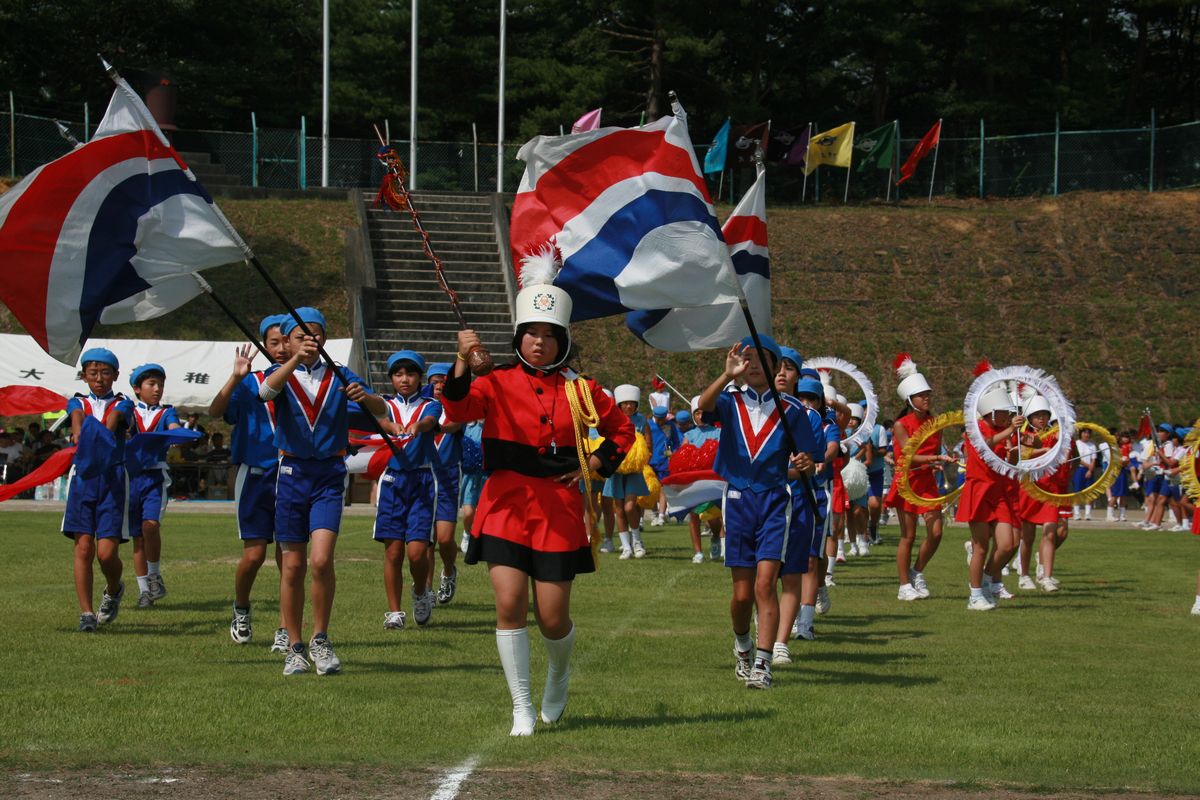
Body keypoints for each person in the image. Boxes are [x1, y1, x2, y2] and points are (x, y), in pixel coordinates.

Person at [441, 254, 633, 735]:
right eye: (532, 332)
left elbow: (622, 431)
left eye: (549, 334)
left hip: (559, 509)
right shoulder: (494, 380)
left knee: (552, 618)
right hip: (505, 504)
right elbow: (458, 407)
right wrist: (463, 358)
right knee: (508, 605)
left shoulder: (583, 389)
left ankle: (559, 674)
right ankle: (520, 707)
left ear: (562, 340)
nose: (540, 342)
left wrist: (594, 463)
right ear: (519, 337)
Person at [258, 306, 386, 676]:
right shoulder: (279, 373)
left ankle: (321, 639)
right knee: (293, 564)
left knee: (320, 560)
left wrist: (366, 397)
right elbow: (266, 392)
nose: (309, 342)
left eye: (314, 335)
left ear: (325, 338)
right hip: (292, 471)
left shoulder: (340, 375)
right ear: (287, 341)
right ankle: (294, 645)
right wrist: (294, 358)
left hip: (329, 473)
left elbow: (378, 408)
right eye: (300, 336)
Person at [698, 335, 816, 690]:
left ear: (776, 366)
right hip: (736, 500)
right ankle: (743, 644)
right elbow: (702, 409)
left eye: (760, 359)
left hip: (775, 502)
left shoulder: (792, 410)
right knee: (742, 595)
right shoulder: (730, 401)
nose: (751, 365)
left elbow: (807, 462)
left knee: (766, 584)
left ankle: (763, 664)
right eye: (746, 359)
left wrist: (805, 462)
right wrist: (725, 375)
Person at [208, 316, 289, 648]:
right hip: (256, 476)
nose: (282, 347)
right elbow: (215, 411)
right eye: (274, 342)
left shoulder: (305, 380)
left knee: (291, 556)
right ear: (263, 347)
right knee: (254, 556)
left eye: (288, 340)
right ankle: (241, 607)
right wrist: (235, 376)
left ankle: (286, 628)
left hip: (292, 474)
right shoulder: (248, 382)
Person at [61, 348, 134, 631]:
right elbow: (76, 415)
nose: (99, 379)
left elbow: (114, 420)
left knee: (106, 553)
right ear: (84, 376)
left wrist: (97, 434)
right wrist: (79, 430)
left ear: (116, 376)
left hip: (113, 479)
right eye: (93, 373)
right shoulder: (76, 402)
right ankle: (86, 613)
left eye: (105, 373)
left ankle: (114, 588)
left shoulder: (122, 402)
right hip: (84, 479)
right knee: (83, 547)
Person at [373, 350, 441, 631]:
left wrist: (417, 426)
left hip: (423, 480)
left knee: (417, 552)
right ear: (391, 378)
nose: (405, 379)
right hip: (392, 481)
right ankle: (394, 611)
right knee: (393, 552)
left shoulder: (430, 405)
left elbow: (429, 423)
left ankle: (421, 593)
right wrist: (390, 425)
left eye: (410, 374)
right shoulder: (385, 404)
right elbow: (380, 420)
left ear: (419, 378)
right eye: (398, 374)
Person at [883, 354, 951, 602]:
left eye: (928, 395)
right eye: (922, 396)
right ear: (911, 400)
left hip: (927, 483)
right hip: (907, 482)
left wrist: (939, 462)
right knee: (908, 536)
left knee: (936, 532)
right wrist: (936, 460)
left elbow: (935, 451)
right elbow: (909, 456)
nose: (927, 399)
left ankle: (917, 571)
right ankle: (904, 586)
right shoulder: (901, 424)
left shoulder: (936, 422)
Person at [771, 346, 823, 664]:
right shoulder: (754, 410)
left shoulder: (808, 417)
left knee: (791, 572)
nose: (780, 373)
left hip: (798, 499)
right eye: (775, 366)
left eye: (788, 368)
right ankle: (763, 629)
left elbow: (807, 462)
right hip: (764, 499)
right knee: (761, 574)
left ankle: (780, 644)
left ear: (797, 376)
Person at [957, 380, 1023, 610]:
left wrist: (1015, 453)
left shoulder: (1005, 433)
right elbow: (983, 446)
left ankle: (985, 580)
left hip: (999, 490)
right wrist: (1010, 431)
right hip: (979, 490)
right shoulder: (976, 428)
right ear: (991, 413)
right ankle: (975, 595)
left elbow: (1009, 463)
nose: (1007, 415)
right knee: (981, 546)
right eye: (1003, 412)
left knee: (1008, 544)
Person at [126, 363, 183, 608]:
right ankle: (145, 592)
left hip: (154, 478)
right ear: (137, 389)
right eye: (151, 384)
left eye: (160, 384)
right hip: (130, 478)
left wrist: (176, 436)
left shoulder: (166, 412)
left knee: (150, 526)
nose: (157, 389)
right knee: (137, 536)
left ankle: (154, 574)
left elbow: (174, 429)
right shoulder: (128, 411)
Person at [425, 362, 465, 604]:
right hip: (425, 477)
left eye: (444, 381)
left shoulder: (457, 407)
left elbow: (455, 424)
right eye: (435, 381)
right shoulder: (422, 408)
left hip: (449, 477)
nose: (439, 385)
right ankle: (426, 589)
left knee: (445, 538)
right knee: (426, 539)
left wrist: (434, 426)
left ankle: (449, 570)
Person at [605, 384, 652, 559]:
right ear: (619, 405)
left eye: (632, 403)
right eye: (625, 403)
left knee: (630, 507)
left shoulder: (641, 421)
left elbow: (648, 445)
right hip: (616, 471)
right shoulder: (612, 421)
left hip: (634, 471)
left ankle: (637, 541)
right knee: (619, 510)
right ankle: (626, 547)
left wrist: (641, 457)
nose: (629, 406)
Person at [647, 405, 681, 529]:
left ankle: (661, 515)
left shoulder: (670, 425)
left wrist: (674, 453)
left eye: (663, 419)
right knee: (651, 489)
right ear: (654, 416)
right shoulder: (648, 425)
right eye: (659, 418)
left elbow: (677, 441)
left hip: (664, 462)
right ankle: (654, 513)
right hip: (649, 461)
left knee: (663, 488)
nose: (661, 421)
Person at [1072, 427, 1098, 521]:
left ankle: (1088, 513)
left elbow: (1094, 459)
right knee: (1077, 491)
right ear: (1081, 434)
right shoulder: (1076, 444)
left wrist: (1090, 470)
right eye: (1084, 433)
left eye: (1088, 433)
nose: (1086, 435)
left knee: (1089, 492)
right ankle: (1077, 513)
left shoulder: (1092, 445)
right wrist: (1088, 466)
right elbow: (1077, 458)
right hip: (1079, 469)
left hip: (1089, 471)